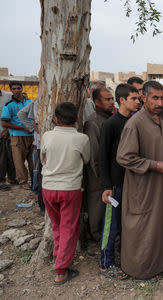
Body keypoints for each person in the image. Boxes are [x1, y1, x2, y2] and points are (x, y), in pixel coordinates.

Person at [117, 80, 163, 280]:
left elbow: (161, 149)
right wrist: (155, 165)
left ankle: (158, 265)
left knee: (158, 224)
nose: (160, 102)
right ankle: (140, 269)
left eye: (162, 98)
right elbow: (124, 157)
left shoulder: (159, 120)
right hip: (142, 187)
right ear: (143, 98)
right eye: (155, 98)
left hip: (159, 185)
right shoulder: (135, 123)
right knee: (142, 228)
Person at [41, 102, 90, 285]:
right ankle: (61, 270)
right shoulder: (82, 138)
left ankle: (58, 259)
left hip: (48, 187)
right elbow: (86, 159)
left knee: (56, 226)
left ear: (56, 119)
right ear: (77, 119)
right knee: (68, 228)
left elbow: (43, 158)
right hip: (70, 188)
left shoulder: (47, 135)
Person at [98, 84, 140, 280]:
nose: (137, 102)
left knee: (127, 225)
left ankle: (125, 259)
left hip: (131, 183)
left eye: (138, 98)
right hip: (115, 185)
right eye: (134, 98)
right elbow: (103, 157)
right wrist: (107, 186)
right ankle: (106, 264)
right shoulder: (110, 124)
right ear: (122, 100)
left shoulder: (134, 122)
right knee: (111, 225)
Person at [83, 87, 114, 241]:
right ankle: (96, 236)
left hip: (109, 172)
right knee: (96, 205)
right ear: (96, 102)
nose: (111, 102)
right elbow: (94, 154)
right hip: (97, 175)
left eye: (112, 98)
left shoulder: (109, 118)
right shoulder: (92, 123)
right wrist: (101, 177)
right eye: (107, 99)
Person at [1, 81, 33, 189]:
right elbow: (4, 123)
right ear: (11, 90)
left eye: (18, 88)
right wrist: (23, 128)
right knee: (19, 161)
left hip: (32, 136)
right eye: (14, 89)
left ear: (22, 88)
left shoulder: (30, 102)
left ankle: (34, 181)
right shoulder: (9, 105)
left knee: (32, 160)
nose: (16, 91)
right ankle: (23, 182)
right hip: (17, 136)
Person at [18, 99, 44, 211]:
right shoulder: (38, 101)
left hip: (41, 143)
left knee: (40, 172)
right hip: (41, 143)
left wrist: (32, 128)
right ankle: (41, 201)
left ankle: (42, 202)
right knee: (40, 172)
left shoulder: (35, 101)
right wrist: (33, 128)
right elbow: (24, 116)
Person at [0, 89, 16, 191]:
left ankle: (10, 178)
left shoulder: (9, 96)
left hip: (4, 133)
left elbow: (15, 114)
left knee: (7, 158)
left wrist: (8, 130)